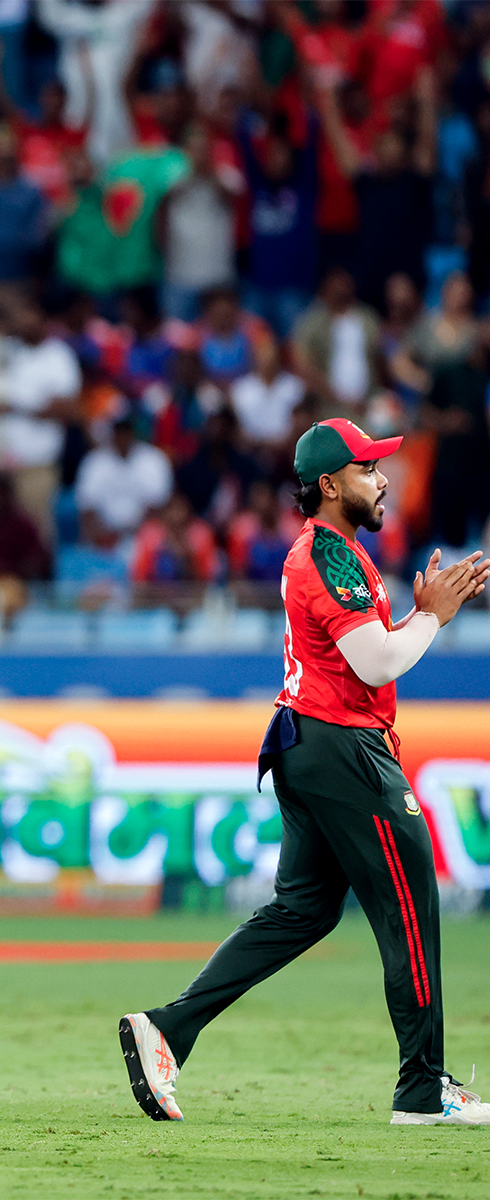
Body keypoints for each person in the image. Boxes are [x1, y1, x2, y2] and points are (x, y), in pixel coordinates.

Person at [120, 418, 490, 1127]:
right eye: (367, 469)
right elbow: (376, 663)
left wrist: (418, 617)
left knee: (304, 910)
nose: (382, 480)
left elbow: (365, 656)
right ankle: (423, 1089)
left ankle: (167, 1028)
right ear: (330, 484)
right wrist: (433, 617)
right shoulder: (326, 553)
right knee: (411, 903)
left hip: (308, 742)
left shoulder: (332, 551)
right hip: (341, 747)